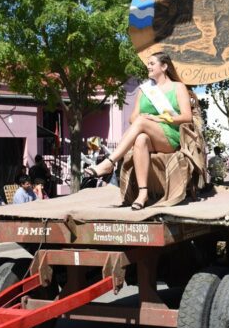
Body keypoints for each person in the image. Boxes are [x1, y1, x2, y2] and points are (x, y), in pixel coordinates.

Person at [82, 52, 193, 210]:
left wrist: (159, 119)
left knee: (142, 122)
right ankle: (143, 194)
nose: (148, 66)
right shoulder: (145, 90)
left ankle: (109, 162)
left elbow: (187, 117)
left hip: (170, 136)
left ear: (164, 66)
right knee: (140, 139)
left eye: (152, 63)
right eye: (147, 63)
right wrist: (145, 119)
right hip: (148, 134)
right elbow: (133, 118)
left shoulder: (178, 87)